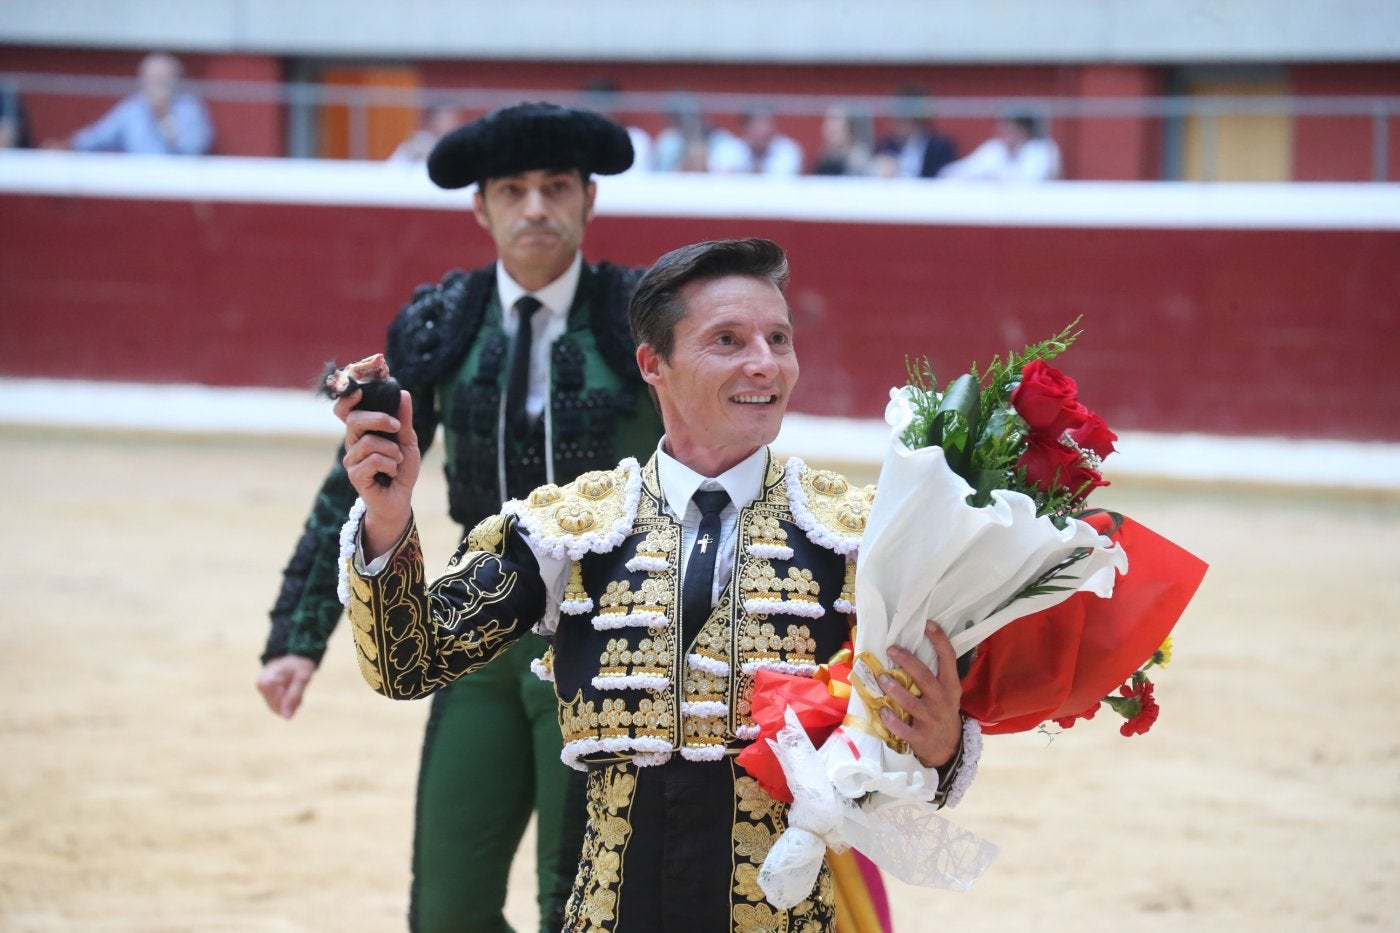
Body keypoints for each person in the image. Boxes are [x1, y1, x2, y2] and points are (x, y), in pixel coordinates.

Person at [336, 237, 980, 931]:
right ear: (653, 363)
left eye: (778, 337)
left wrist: (941, 745)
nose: (764, 362)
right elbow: (408, 664)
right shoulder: (570, 529)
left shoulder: (858, 535)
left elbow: (926, 736)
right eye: (728, 340)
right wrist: (388, 517)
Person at [256, 102, 664, 932]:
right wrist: (297, 634)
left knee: (580, 908)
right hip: (479, 628)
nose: (536, 208)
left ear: (590, 198)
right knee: (446, 909)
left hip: (614, 636)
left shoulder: (647, 318)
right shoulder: (442, 322)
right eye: (512, 190)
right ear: (481, 207)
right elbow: (361, 481)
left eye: (556, 187)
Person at [46, 52, 213, 155]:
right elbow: (100, 135)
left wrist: (163, 118)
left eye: (162, 79)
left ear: (174, 80)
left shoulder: (189, 108)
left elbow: (193, 149)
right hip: (137, 181)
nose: (156, 84)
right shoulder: (133, 108)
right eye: (152, 79)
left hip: (176, 183)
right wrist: (68, 146)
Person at [939, 109, 1062, 182]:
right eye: (1003, 128)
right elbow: (957, 171)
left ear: (1025, 130)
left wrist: (992, 178)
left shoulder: (1042, 148)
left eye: (1012, 128)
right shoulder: (994, 148)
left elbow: (1032, 181)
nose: (1005, 133)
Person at [872, 88, 956, 179]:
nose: (896, 124)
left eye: (903, 118)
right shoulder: (886, 145)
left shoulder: (940, 147)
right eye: (896, 118)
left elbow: (948, 177)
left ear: (919, 120)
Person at [708, 106, 804, 176]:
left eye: (769, 125)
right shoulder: (726, 149)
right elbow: (720, 181)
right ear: (745, 128)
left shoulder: (787, 149)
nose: (765, 131)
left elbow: (786, 180)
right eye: (758, 126)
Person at [811, 104, 874, 177]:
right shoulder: (824, 156)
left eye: (836, 132)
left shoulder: (859, 158)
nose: (831, 126)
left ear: (849, 129)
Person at [387, 103, 460, 164]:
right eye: (443, 119)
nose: (447, 124)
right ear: (432, 119)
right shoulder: (418, 139)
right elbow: (397, 164)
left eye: (450, 119)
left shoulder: (456, 143)